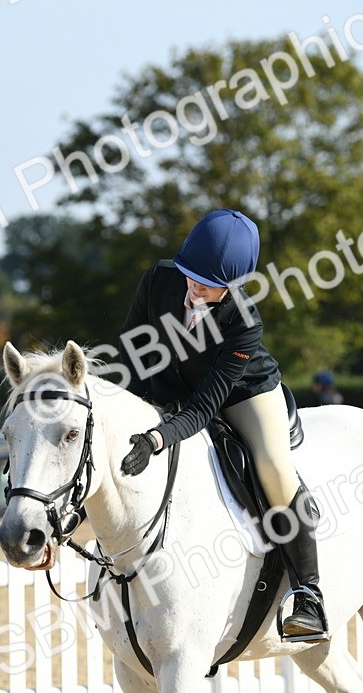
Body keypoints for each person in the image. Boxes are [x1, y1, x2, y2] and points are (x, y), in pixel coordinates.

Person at [117, 208, 329, 643]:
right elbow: (131, 358)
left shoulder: (244, 322)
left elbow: (203, 409)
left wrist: (157, 438)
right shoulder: (158, 280)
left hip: (242, 393)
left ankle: (309, 594)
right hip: (172, 384)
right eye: (190, 275)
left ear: (233, 285)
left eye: (207, 283)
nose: (194, 287)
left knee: (273, 468)